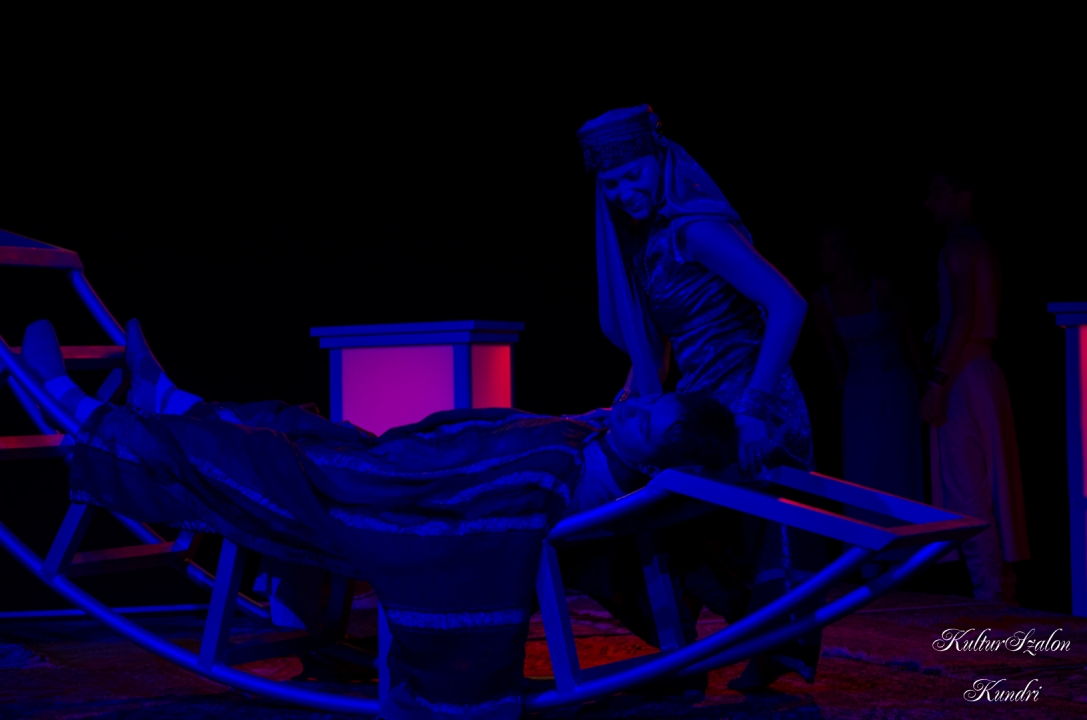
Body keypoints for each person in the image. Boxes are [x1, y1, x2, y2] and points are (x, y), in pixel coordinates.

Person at [19, 318, 736, 720]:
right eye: (647, 402)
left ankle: (77, 409)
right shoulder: (606, 449)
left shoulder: (582, 475)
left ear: (657, 461)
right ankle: (168, 399)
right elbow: (549, 434)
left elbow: (495, 504)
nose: (633, 408)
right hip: (399, 469)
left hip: (395, 497)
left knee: (267, 460)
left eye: (646, 420)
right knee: (298, 424)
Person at [576, 105, 820, 689]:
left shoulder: (695, 230)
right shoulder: (647, 242)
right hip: (697, 407)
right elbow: (660, 350)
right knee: (640, 519)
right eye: (611, 185)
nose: (625, 192)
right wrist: (626, 397)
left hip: (751, 407)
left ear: (661, 160)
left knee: (670, 520)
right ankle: (687, 649)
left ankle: (739, 646)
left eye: (633, 175)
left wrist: (754, 411)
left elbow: (788, 305)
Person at [920, 171, 1030, 604]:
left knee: (966, 488)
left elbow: (965, 316)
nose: (929, 202)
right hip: (983, 370)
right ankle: (1000, 584)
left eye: (938, 193)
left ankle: (990, 592)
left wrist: (938, 380)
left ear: (964, 197)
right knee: (992, 483)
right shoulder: (982, 246)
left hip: (963, 374)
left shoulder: (959, 246)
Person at [809, 229, 924, 519]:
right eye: (822, 248)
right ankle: (868, 540)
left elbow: (909, 331)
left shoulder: (881, 288)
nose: (825, 255)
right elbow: (831, 348)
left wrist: (925, 378)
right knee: (864, 466)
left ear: (851, 251)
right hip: (858, 391)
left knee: (898, 462)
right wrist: (842, 390)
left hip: (895, 383)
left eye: (833, 247)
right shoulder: (822, 300)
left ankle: (906, 535)